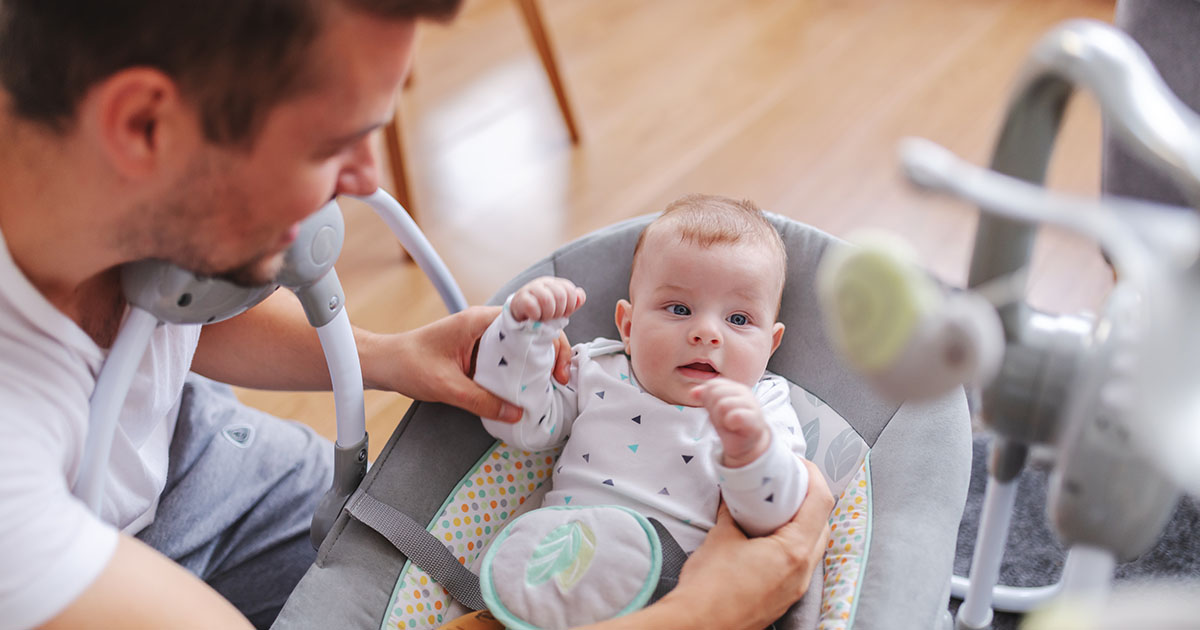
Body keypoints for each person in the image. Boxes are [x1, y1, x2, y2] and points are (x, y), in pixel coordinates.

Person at [0, 2, 833, 630]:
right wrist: (704, 612)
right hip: (89, 557)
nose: (364, 180)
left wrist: (389, 356)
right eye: (333, 145)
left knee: (389, 556)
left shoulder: (76, 182)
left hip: (200, 451)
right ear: (143, 125)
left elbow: (168, 315)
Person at [475, 195, 810, 553]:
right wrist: (522, 334)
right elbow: (518, 424)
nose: (707, 333)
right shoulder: (596, 369)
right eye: (679, 309)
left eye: (738, 320)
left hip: (670, 591)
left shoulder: (764, 407)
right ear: (628, 327)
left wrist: (752, 453)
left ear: (770, 345)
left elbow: (775, 519)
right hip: (553, 559)